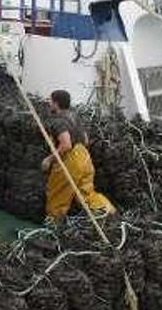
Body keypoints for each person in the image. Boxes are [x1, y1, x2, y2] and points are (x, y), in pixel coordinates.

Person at [41, 90, 116, 221]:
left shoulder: (58, 121)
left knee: (57, 194)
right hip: (84, 156)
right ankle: (109, 212)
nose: (49, 103)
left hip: (70, 159)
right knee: (86, 194)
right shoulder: (74, 116)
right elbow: (85, 140)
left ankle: (53, 226)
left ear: (56, 103)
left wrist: (49, 159)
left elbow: (66, 144)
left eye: (50, 101)